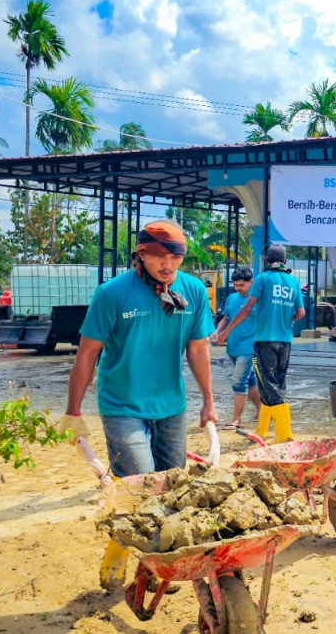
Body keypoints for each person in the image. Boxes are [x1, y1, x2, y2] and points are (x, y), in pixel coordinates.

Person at [61, 218, 216, 591]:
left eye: (175, 256)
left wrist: (209, 401)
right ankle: (121, 558)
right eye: (158, 256)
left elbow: (198, 349)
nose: (168, 264)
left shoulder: (193, 291)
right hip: (122, 404)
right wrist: (73, 411)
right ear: (141, 254)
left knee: (173, 489)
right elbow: (87, 354)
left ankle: (155, 565)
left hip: (171, 405)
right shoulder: (112, 293)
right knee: (143, 487)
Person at [216, 244, 305, 443]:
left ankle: (284, 434)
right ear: (285, 261)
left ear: (266, 260)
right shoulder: (293, 281)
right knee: (272, 385)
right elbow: (301, 313)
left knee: (270, 386)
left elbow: (248, 308)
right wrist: (285, 320)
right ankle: (262, 431)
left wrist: (226, 332)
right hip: (285, 341)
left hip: (265, 340)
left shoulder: (263, 279)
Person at [210, 267, 258, 429]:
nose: (238, 288)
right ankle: (261, 409)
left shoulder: (257, 300)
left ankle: (237, 419)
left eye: (242, 285)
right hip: (233, 346)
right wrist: (217, 332)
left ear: (251, 282)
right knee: (249, 380)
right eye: (236, 285)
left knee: (239, 381)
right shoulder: (232, 298)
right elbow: (226, 317)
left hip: (249, 346)